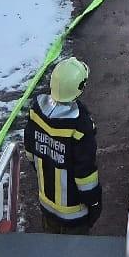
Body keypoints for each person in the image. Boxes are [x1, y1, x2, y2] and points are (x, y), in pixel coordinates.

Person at [26, 57, 101, 234]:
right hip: (75, 214)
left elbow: (30, 154)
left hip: (47, 205)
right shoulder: (80, 125)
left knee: (52, 253)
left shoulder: (36, 110)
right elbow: (85, 175)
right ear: (79, 88)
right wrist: (95, 202)